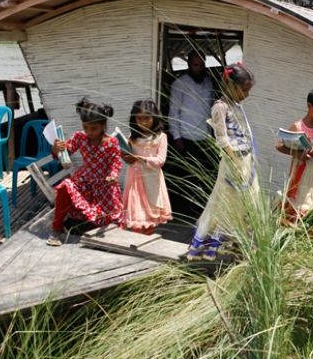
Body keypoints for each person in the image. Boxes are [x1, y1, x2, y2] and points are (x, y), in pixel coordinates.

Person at [187, 63, 258, 261]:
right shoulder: (220, 107)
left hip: (245, 162)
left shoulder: (237, 106)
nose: (247, 94)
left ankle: (239, 243)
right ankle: (217, 243)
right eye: (244, 90)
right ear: (230, 86)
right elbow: (222, 139)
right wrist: (234, 162)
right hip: (232, 162)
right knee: (227, 201)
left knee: (247, 203)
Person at [48, 98, 124, 246]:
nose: (89, 132)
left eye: (93, 128)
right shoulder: (79, 137)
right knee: (64, 188)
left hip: (104, 184)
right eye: (85, 127)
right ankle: (56, 229)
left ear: (104, 125)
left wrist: (113, 176)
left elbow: (115, 164)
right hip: (84, 179)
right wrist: (57, 148)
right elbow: (65, 152)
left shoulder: (111, 142)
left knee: (108, 218)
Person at [277, 88, 313, 231]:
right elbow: (279, 145)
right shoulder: (298, 126)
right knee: (299, 203)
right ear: (309, 106)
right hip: (301, 174)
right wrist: (297, 154)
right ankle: (292, 235)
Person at [166, 51, 217, 220]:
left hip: (205, 136)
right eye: (196, 65)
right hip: (187, 138)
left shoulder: (209, 82)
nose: (199, 68)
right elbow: (173, 112)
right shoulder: (179, 84)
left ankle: (201, 209)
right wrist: (176, 136)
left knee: (205, 175)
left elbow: (211, 109)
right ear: (189, 64)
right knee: (189, 176)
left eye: (202, 65)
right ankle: (186, 211)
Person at [122, 99, 172, 235]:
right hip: (134, 182)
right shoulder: (132, 137)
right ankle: (136, 244)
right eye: (139, 118)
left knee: (149, 216)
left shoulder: (160, 137)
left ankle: (147, 242)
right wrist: (124, 155)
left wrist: (139, 158)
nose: (143, 123)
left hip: (151, 182)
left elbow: (160, 161)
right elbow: (129, 159)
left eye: (147, 118)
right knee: (136, 217)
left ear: (154, 118)